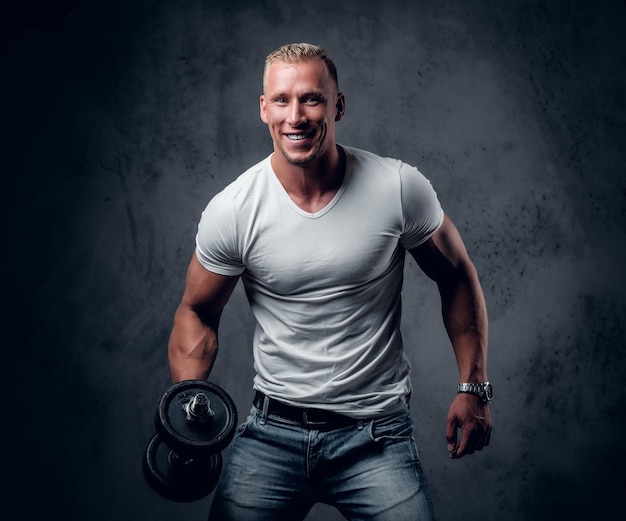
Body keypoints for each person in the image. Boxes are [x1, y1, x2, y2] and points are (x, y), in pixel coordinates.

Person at [168, 42, 492, 521]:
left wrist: (474, 388)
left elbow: (458, 275)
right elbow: (197, 311)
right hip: (271, 434)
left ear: (338, 105)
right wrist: (190, 414)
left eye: (311, 99)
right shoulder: (233, 210)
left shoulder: (398, 188)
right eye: (281, 100)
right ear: (264, 109)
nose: (295, 116)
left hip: (376, 436)